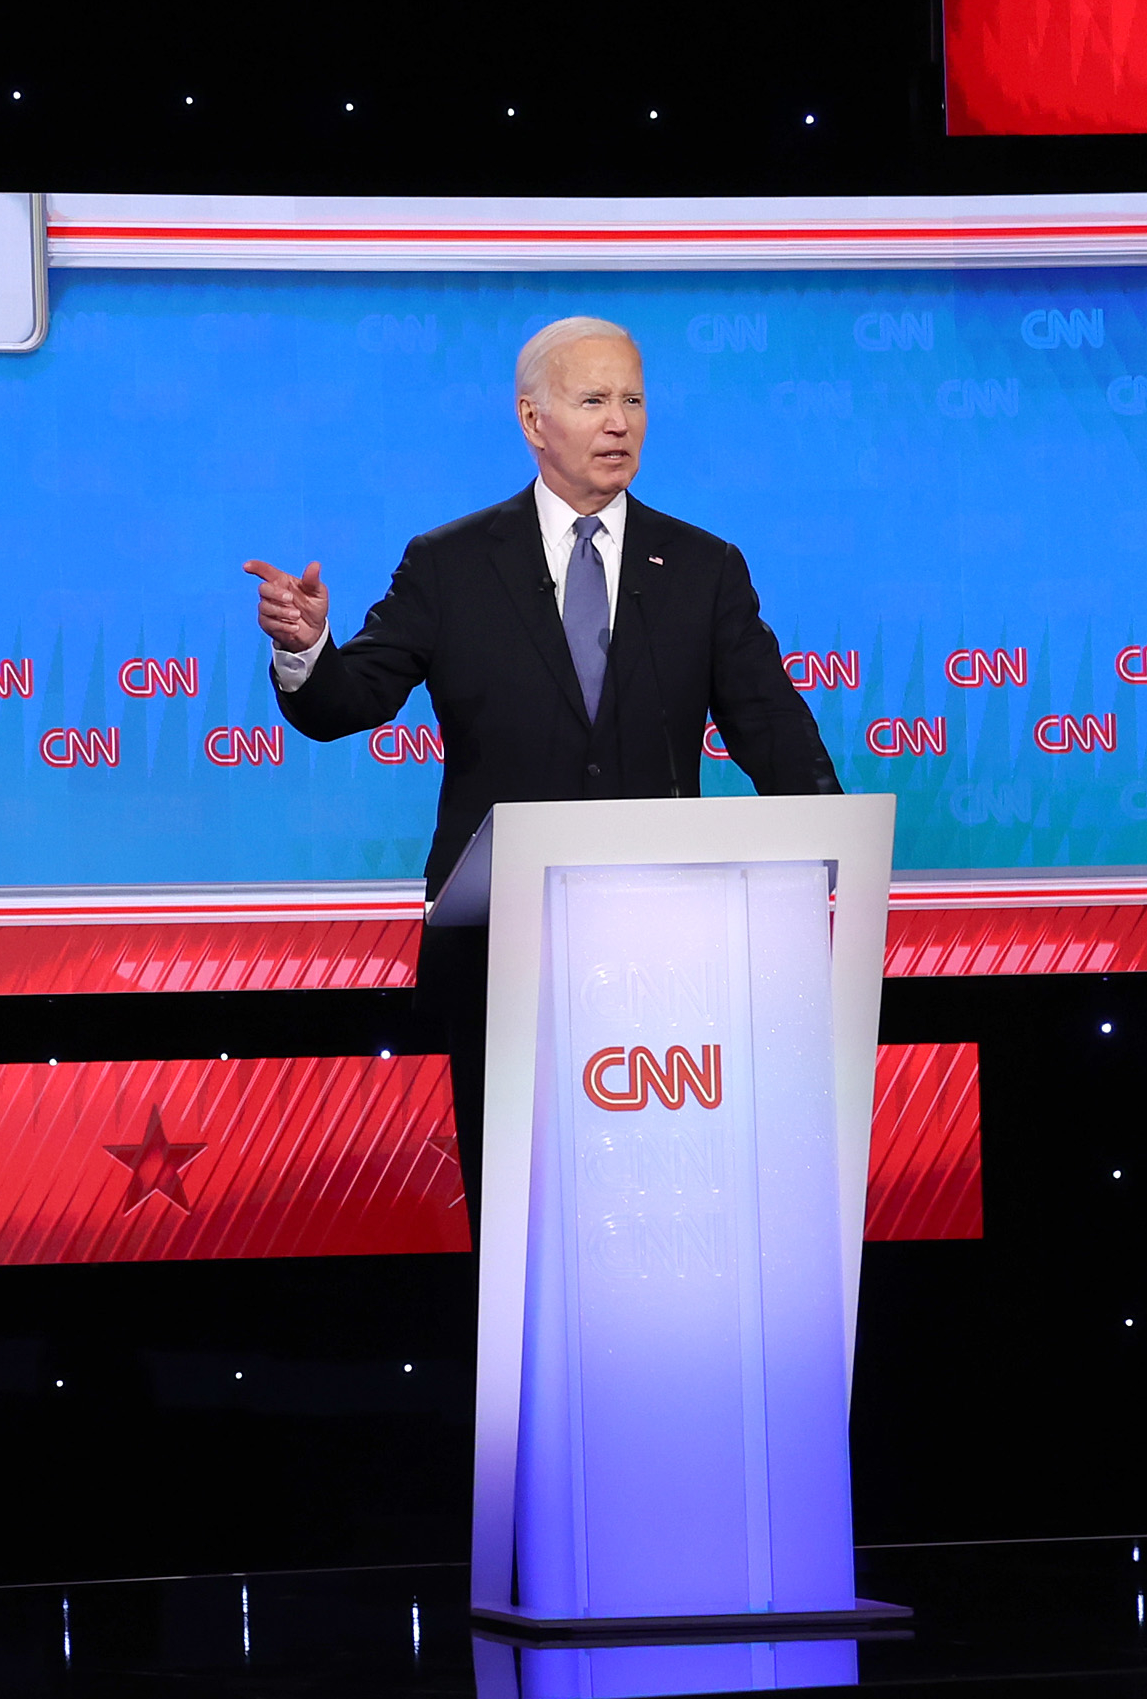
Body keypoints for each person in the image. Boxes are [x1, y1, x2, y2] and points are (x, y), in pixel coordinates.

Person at [244, 315, 838, 1231]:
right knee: (523, 1217)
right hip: (501, 950)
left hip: (670, 952)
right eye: (593, 399)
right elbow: (347, 702)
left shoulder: (702, 567)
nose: (619, 422)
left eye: (633, 399)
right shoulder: (449, 563)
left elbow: (771, 728)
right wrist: (307, 647)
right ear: (533, 419)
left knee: (662, 1206)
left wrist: (828, 845)